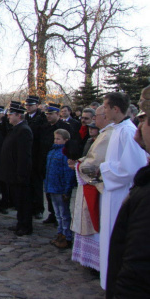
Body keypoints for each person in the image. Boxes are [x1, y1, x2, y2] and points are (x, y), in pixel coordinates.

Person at [98, 92, 147, 289]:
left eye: (106, 107)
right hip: (112, 191)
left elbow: (133, 167)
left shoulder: (127, 131)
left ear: (116, 109)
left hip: (120, 193)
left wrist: (104, 169)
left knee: (114, 238)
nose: (104, 111)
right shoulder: (117, 129)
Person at [68, 106, 113, 273]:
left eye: (96, 118)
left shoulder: (108, 135)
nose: (92, 123)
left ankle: (96, 262)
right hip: (91, 185)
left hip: (96, 185)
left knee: (94, 220)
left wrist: (79, 165)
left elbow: (95, 162)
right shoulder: (103, 135)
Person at [0, 101, 33, 236]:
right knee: (18, 201)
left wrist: (21, 173)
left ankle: (26, 226)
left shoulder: (24, 130)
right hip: (11, 172)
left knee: (23, 201)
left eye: (10, 114)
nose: (8, 116)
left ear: (18, 115)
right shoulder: (15, 129)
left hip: (19, 173)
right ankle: (20, 223)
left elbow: (24, 155)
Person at [44, 129, 76, 249]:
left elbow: (68, 173)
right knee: (57, 213)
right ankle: (60, 233)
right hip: (52, 186)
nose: (56, 141)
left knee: (64, 214)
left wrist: (67, 190)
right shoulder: (53, 151)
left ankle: (67, 236)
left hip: (60, 188)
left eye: (58, 139)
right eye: (55, 138)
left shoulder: (65, 153)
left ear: (65, 140)